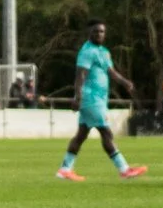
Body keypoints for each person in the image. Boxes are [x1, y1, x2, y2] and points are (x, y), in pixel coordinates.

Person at [58, 20, 146, 181]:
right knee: (106, 132)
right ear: (89, 33)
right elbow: (80, 75)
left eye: (102, 31)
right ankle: (124, 169)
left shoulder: (103, 51)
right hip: (90, 99)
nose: (99, 34)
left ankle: (65, 169)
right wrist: (78, 97)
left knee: (81, 135)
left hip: (98, 99)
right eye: (96, 31)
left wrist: (125, 82)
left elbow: (110, 71)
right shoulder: (87, 51)